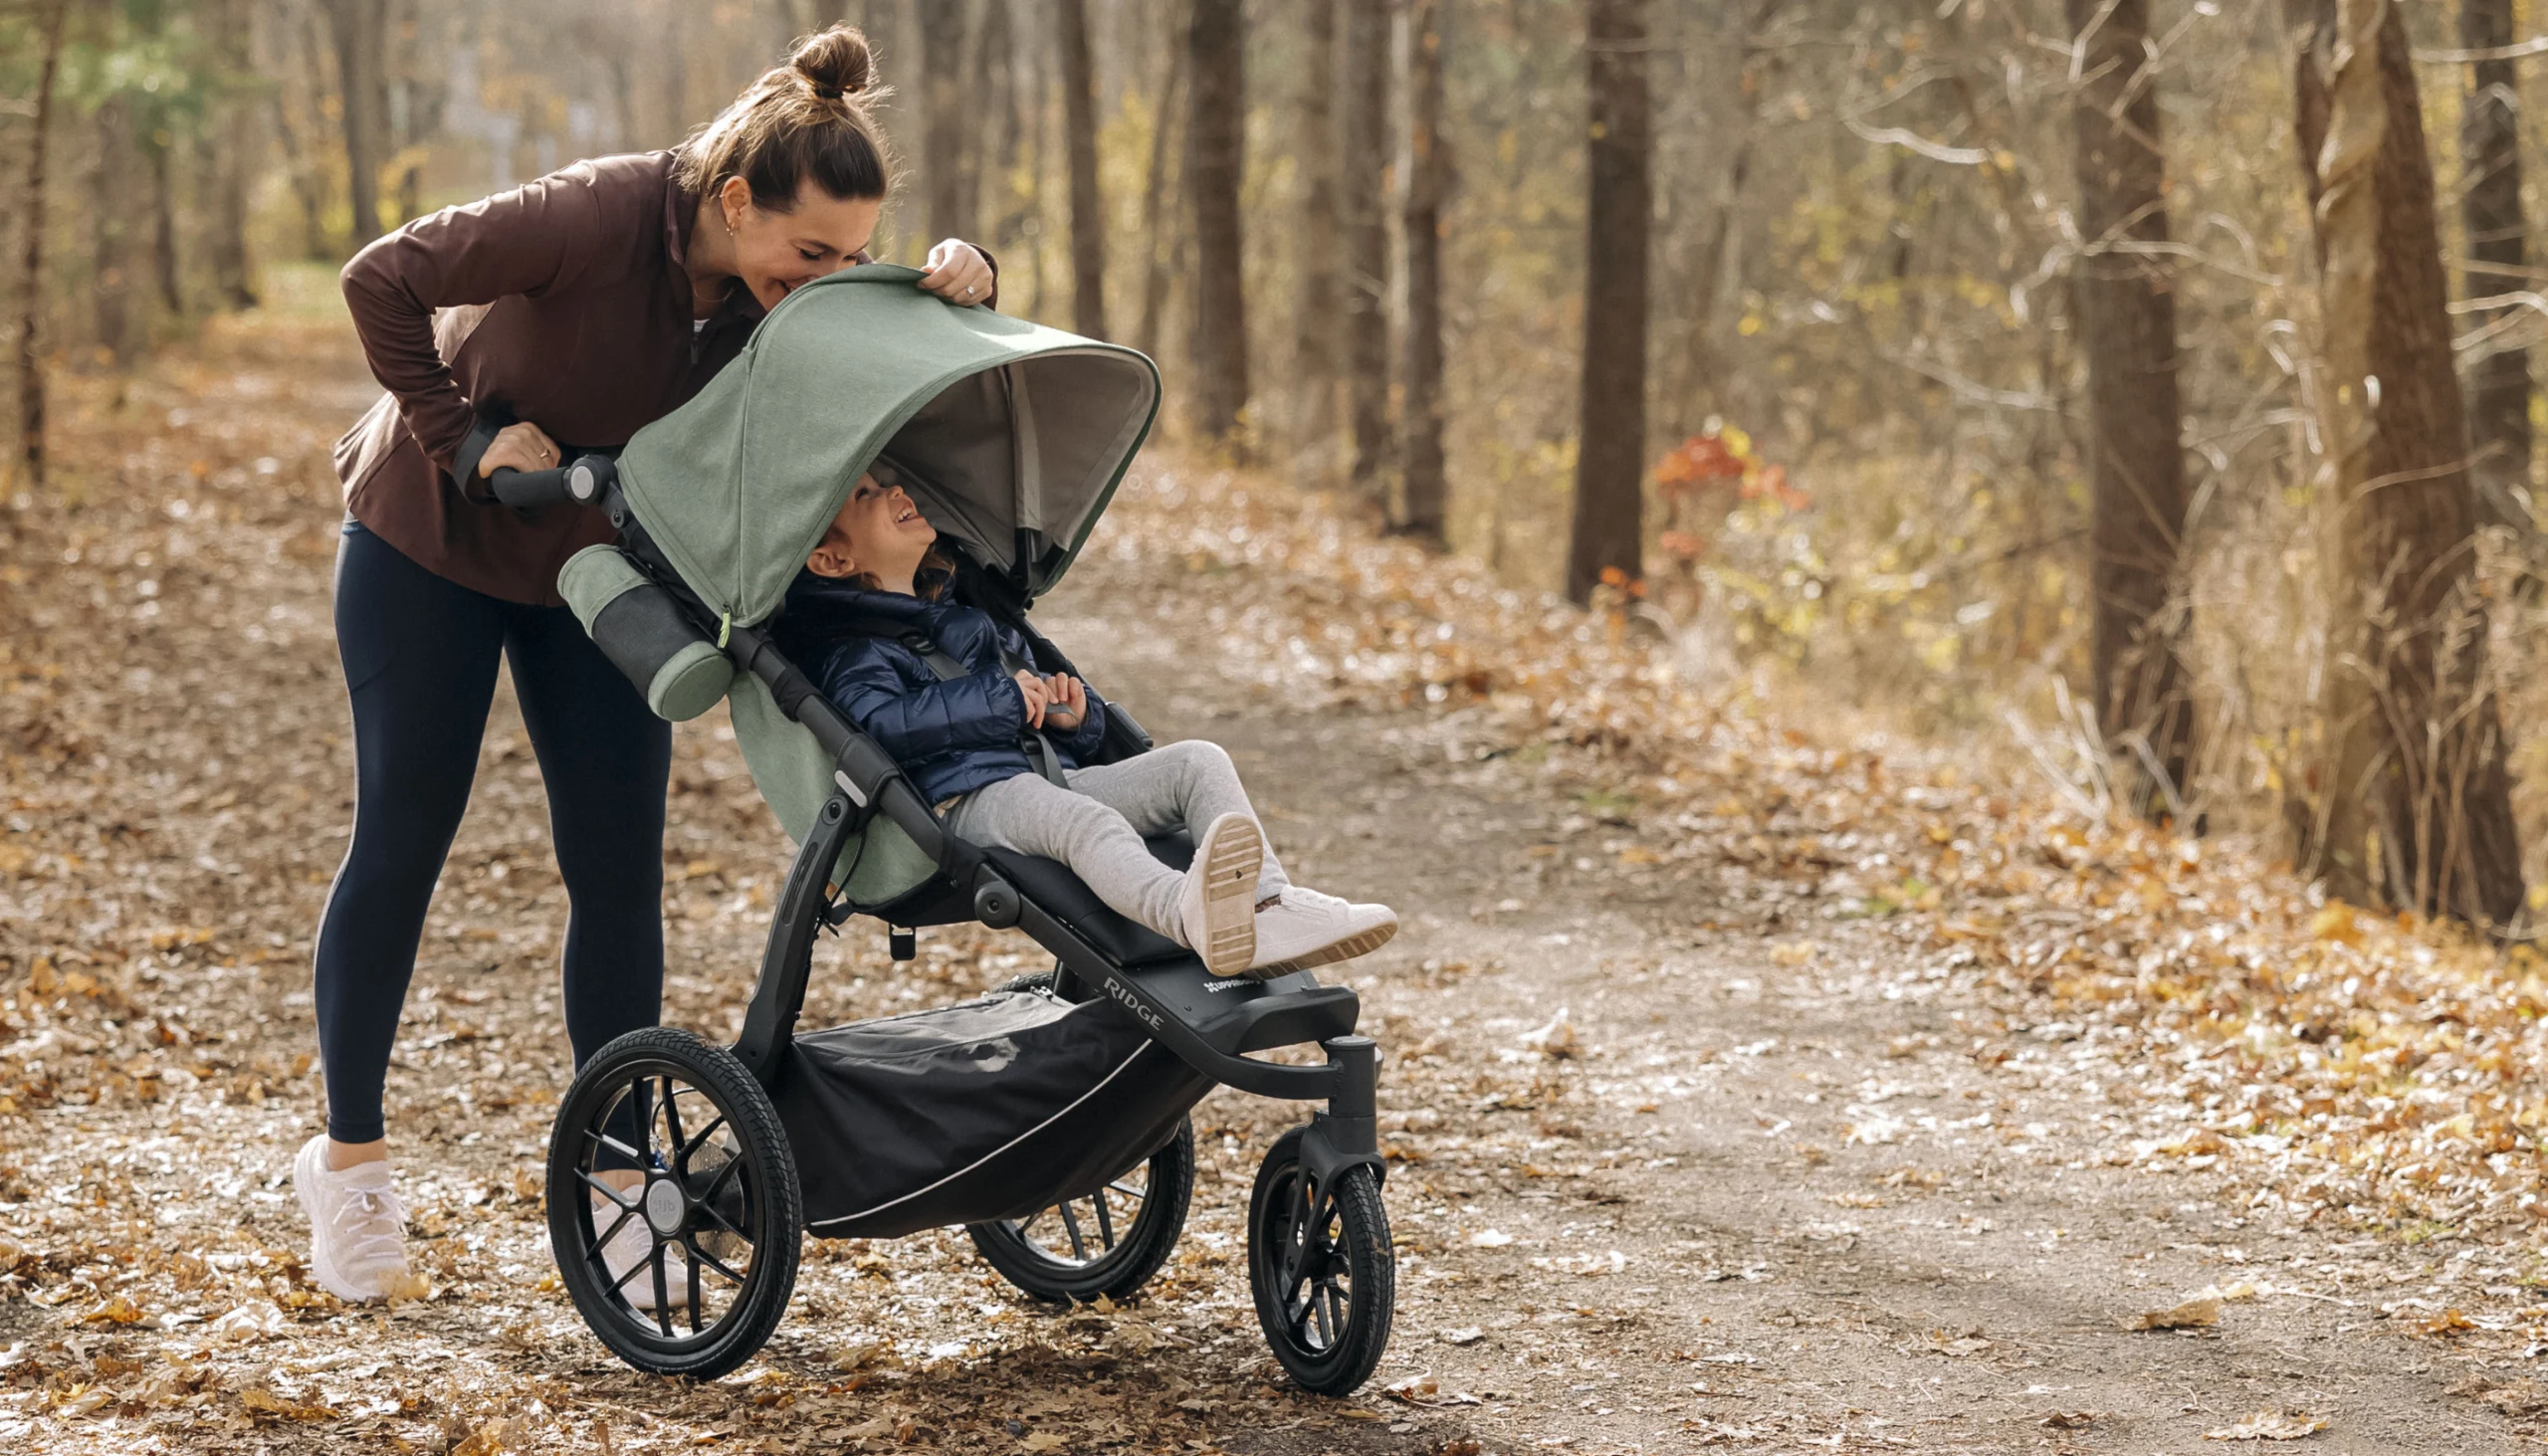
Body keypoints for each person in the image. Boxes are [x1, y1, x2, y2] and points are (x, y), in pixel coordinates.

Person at [297, 25, 1001, 1305]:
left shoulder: (780, 276)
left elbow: (877, 347)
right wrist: (461, 439)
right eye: (813, 254)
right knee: (404, 834)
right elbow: (381, 276)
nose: (830, 279)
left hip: (597, 571)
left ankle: (623, 1182)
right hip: (430, 538)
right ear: (734, 203)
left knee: (615, 863)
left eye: (854, 257)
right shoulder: (590, 214)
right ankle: (348, 1165)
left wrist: (957, 273)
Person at [774, 470, 1400, 978]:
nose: (896, 491)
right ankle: (1192, 918)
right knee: (1087, 822)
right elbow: (879, 727)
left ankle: (1269, 904)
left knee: (1197, 762)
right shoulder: (850, 648)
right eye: (865, 495)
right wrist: (999, 700)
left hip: (1040, 775)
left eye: (889, 482)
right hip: (963, 803)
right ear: (831, 560)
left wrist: (1074, 720)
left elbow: (1027, 704)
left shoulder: (962, 618)